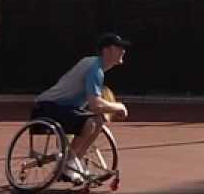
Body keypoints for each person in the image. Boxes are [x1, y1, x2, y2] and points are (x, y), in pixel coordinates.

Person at [31, 32, 130, 183]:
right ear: (107, 50)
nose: (123, 50)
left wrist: (105, 110)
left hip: (63, 109)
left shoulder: (93, 65)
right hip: (47, 107)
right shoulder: (94, 69)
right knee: (90, 122)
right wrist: (119, 107)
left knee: (97, 120)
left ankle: (73, 162)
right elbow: (95, 104)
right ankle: (69, 163)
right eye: (119, 47)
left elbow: (93, 106)